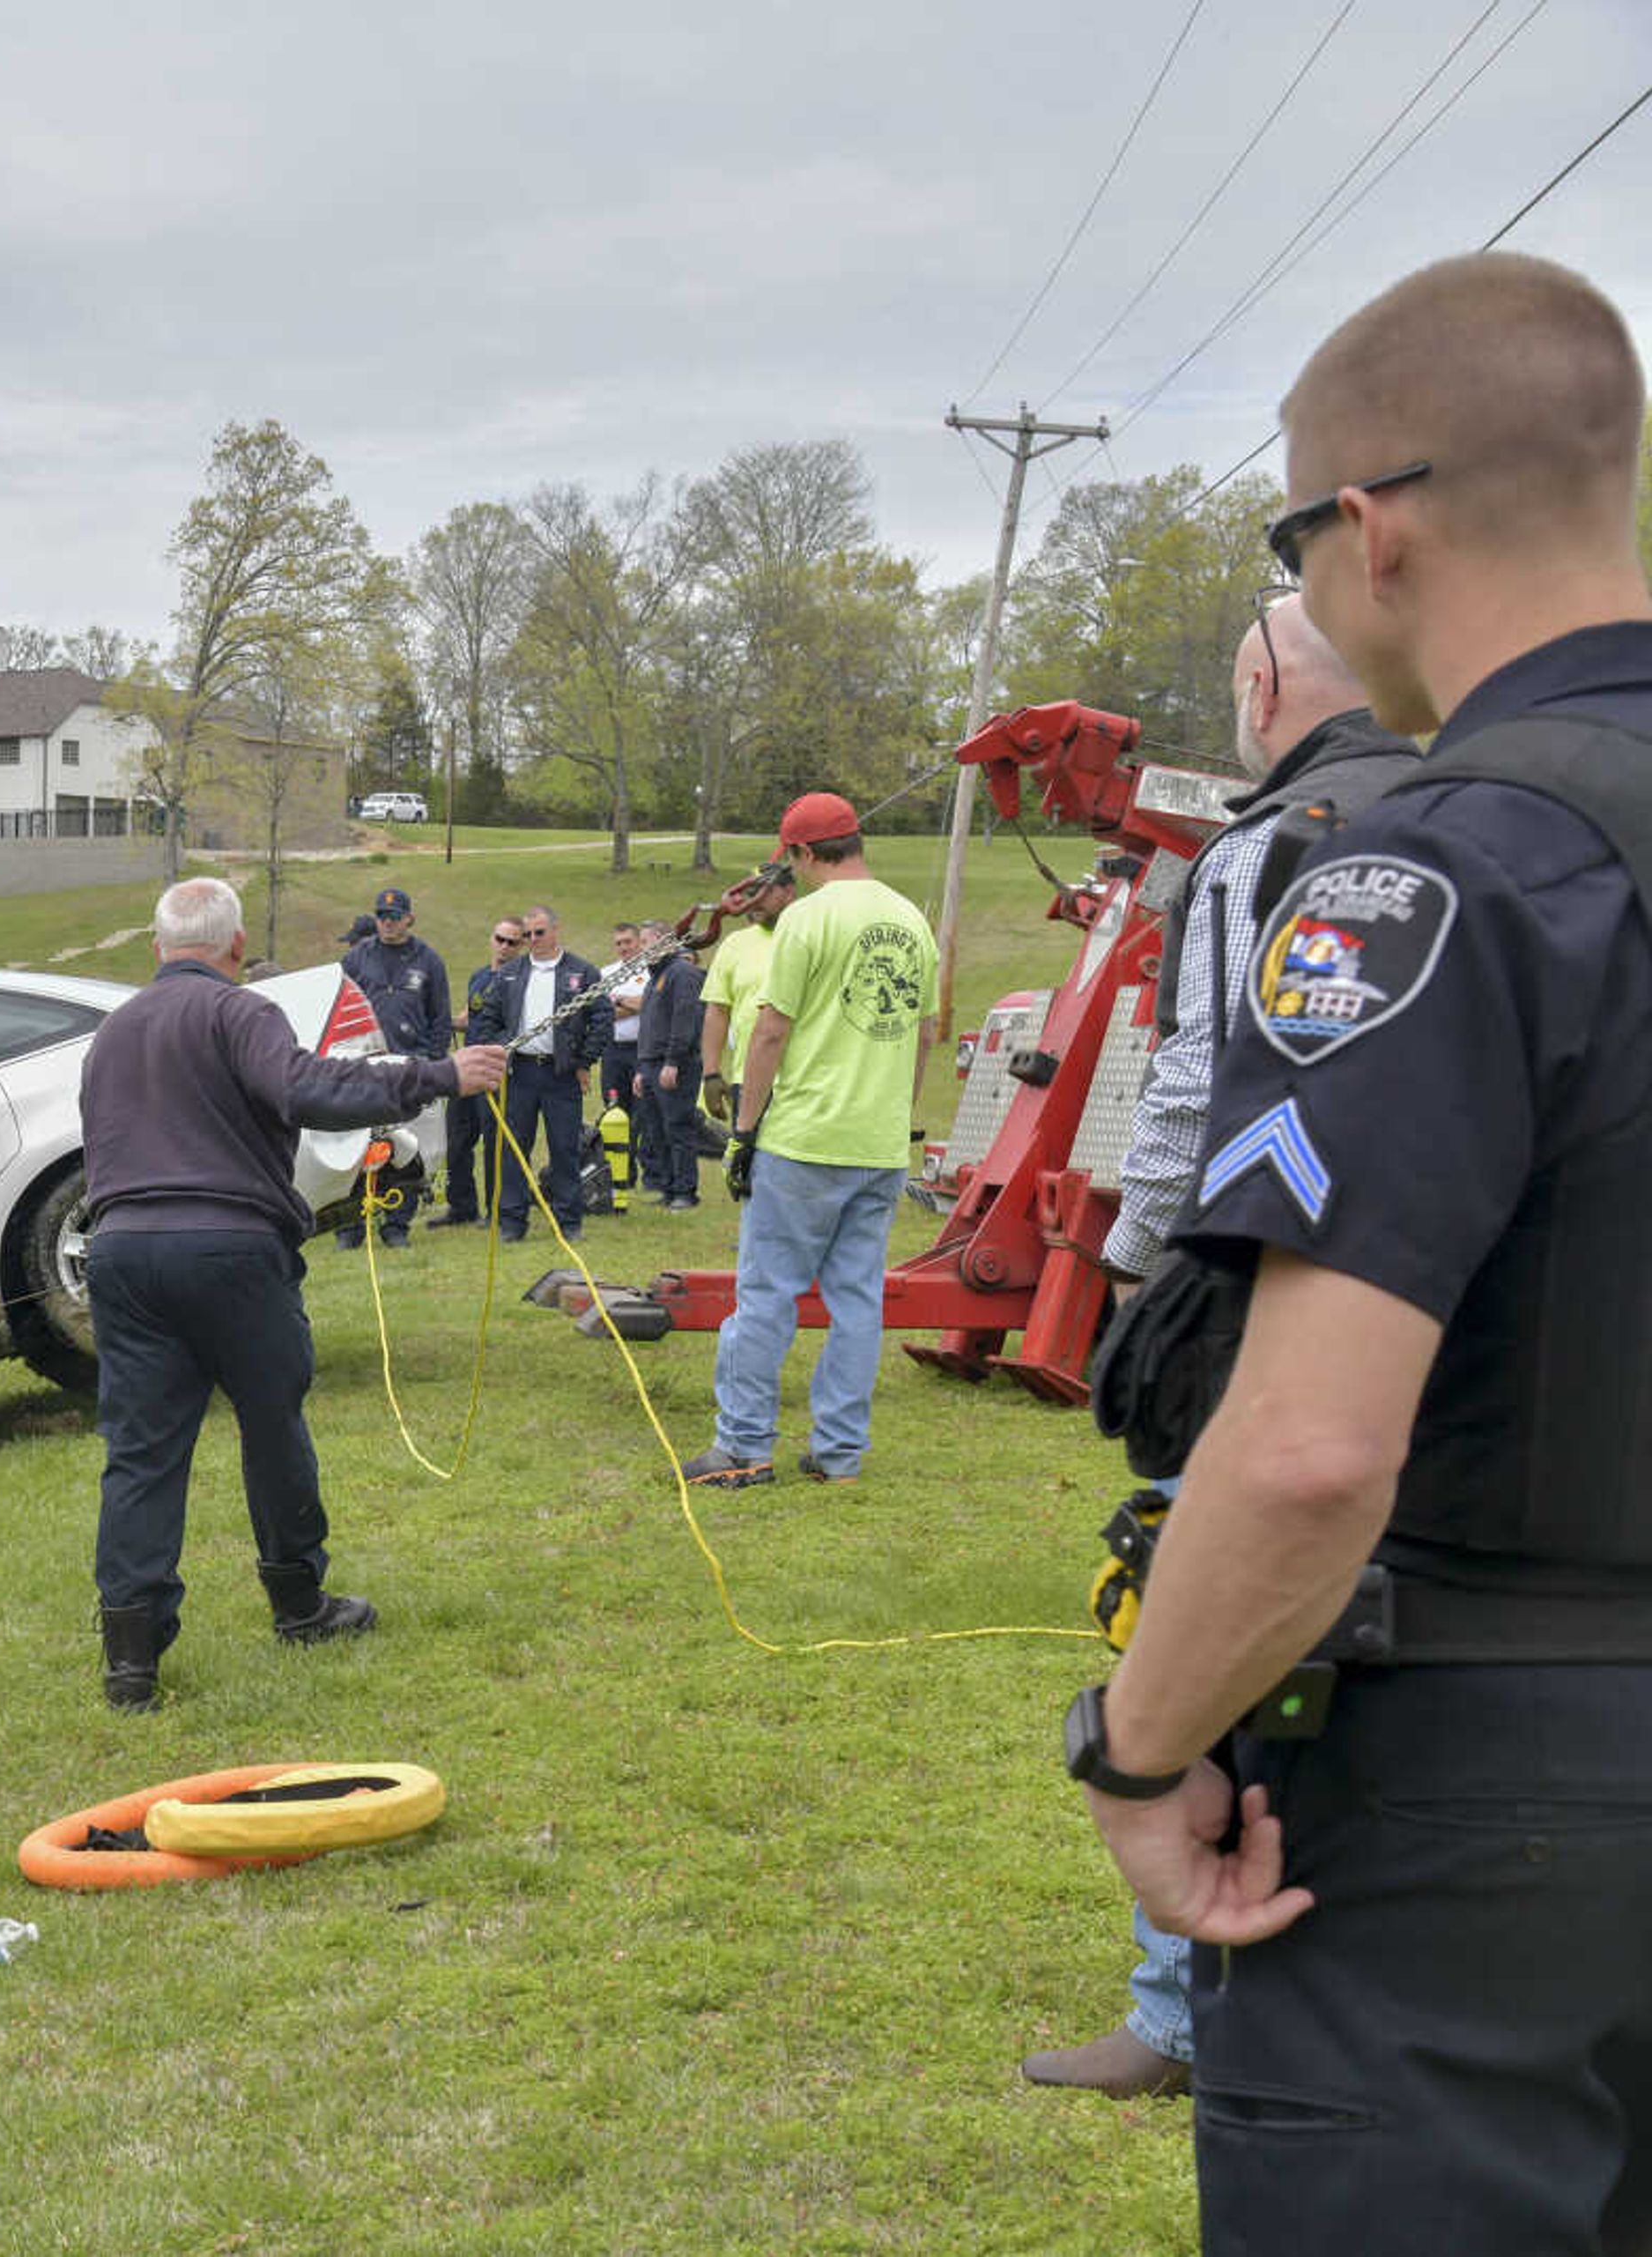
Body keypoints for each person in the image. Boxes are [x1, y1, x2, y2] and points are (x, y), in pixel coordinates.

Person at [1078, 251, 1652, 2251]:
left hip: (1492, 1787)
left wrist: (1135, 1744)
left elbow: (1309, 1443)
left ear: (1369, 527)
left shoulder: (1432, 865)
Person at [1020, 597, 1419, 2104]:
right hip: (1459, 1315)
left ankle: (1183, 2010)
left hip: (1274, 1299)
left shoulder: (1266, 846)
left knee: (1212, 1620)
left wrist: (1134, 1270)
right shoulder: (1490, 813)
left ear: (1260, 686)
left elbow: (1194, 1087)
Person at [78, 876, 508, 1710]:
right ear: (236, 948)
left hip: (123, 1251)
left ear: (156, 947)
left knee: (139, 1453)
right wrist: (439, 1074)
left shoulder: (113, 1032)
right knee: (271, 1424)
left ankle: (130, 1659)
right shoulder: (242, 1012)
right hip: (231, 1248)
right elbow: (310, 1089)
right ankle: (298, 1602)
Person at [681, 794, 935, 1488]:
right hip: (878, 1145)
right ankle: (839, 1453)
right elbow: (926, 1033)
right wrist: (891, 1112)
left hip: (804, 1139)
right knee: (856, 1301)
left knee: (766, 1294)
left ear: (798, 854)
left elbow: (770, 1031)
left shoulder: (806, 919)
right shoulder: (912, 919)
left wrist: (744, 1130)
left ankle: (742, 1448)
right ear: (855, 842)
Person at [335, 887, 451, 1250]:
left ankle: (397, 1224)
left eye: (395, 917)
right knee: (354, 1148)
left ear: (409, 919)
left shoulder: (428, 960)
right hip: (364, 1066)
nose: (388, 923)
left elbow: (440, 1016)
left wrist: (430, 1060)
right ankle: (351, 1226)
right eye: (382, 917)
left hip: (409, 1067)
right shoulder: (356, 958)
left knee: (407, 1149)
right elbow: (338, 1008)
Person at [489, 907, 603, 1243]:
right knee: (513, 1149)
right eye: (528, 935)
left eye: (539, 932)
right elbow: (490, 1019)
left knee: (565, 1148)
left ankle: (569, 1222)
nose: (533, 940)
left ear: (556, 930)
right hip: (520, 1072)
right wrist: (497, 1052)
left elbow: (601, 1020)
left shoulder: (582, 972)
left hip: (560, 1074)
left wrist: (583, 1061)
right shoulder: (510, 973)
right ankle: (512, 1221)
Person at [693, 864, 795, 1162]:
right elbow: (717, 1010)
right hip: (748, 1081)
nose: (753, 901)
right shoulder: (735, 944)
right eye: (749, 894)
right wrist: (711, 1074)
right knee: (747, 1172)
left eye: (763, 893)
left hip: (804, 1081)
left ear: (789, 893)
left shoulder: (809, 936)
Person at [440, 913, 530, 1227]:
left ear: (522, 945)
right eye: (499, 939)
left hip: (495, 1071)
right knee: (456, 1140)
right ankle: (461, 1208)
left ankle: (496, 1210)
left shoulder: (521, 981)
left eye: (512, 942)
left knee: (495, 1143)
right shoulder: (479, 977)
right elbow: (469, 1017)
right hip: (466, 1069)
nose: (503, 947)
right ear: (491, 939)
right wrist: (443, 1021)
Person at [633, 925, 706, 1212]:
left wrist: (673, 1062)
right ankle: (667, 1186)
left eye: (646, 941)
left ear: (667, 942)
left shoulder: (682, 973)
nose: (642, 948)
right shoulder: (655, 977)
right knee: (656, 1130)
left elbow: (684, 1020)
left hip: (675, 1065)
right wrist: (641, 1068)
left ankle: (685, 1191)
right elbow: (649, 1026)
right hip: (650, 1065)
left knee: (678, 1128)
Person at [601, 920, 647, 1122]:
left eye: (628, 942)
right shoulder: (606, 973)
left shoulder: (651, 970)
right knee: (614, 1108)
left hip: (642, 1050)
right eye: (618, 944)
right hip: (613, 1051)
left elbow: (650, 1005)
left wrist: (618, 1000)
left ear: (639, 942)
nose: (623, 948)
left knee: (642, 1107)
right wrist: (635, 1006)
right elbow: (603, 1012)